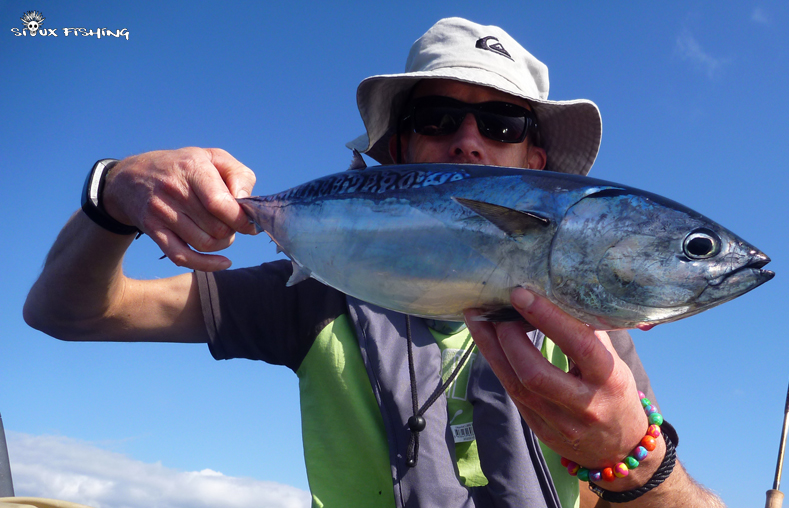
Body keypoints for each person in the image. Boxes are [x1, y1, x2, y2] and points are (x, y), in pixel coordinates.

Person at [24, 17, 725, 508]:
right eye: (438, 120)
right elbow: (67, 312)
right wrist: (109, 196)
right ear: (396, 157)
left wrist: (629, 457)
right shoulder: (315, 294)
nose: (471, 144)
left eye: (504, 125)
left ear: (537, 164)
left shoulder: (594, 339)